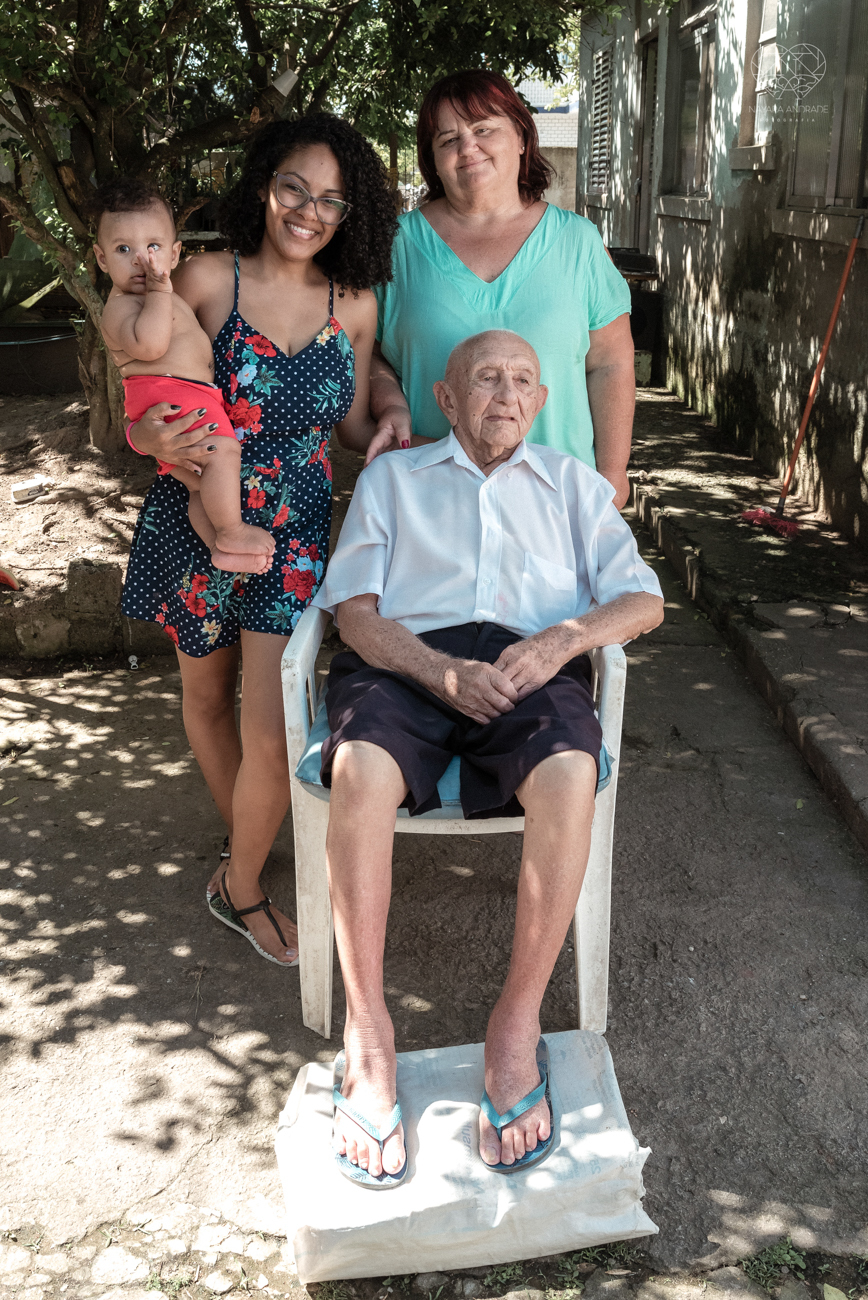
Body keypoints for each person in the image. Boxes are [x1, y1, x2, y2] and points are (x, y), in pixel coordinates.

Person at [311, 330, 664, 1186]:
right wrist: (435, 669)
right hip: (408, 663)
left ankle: (514, 1026)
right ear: (448, 395)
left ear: (541, 403)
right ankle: (369, 1032)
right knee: (359, 770)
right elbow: (353, 614)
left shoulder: (575, 488)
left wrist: (564, 640)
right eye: (486, 378)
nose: (504, 394)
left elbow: (643, 598)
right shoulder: (392, 480)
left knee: (573, 770)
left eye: (521, 382)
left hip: (528, 664)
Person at [122, 114, 404, 967]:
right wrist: (146, 442)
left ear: (348, 213)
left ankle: (239, 877)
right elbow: (140, 380)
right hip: (192, 519)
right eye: (293, 188)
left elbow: (350, 424)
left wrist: (389, 411)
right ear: (262, 187)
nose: (308, 210)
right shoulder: (206, 278)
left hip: (294, 538)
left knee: (277, 719)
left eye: (330, 199)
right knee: (206, 698)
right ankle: (246, 861)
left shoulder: (354, 304)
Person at [369, 69, 636, 507]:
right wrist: (391, 406)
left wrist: (611, 475)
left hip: (558, 502)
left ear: (521, 138)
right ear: (432, 160)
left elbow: (610, 362)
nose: (467, 148)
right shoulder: (395, 248)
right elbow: (367, 354)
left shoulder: (578, 242)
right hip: (432, 502)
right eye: (447, 139)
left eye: (483, 129)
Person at [94, 178, 275, 574]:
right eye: (124, 249)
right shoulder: (121, 306)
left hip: (186, 395)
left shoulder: (161, 293)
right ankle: (231, 530)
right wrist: (160, 295)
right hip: (172, 397)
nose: (141, 260)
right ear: (102, 258)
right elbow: (150, 346)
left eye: (153, 247)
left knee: (198, 482)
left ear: (176, 253)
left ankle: (219, 547)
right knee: (223, 454)